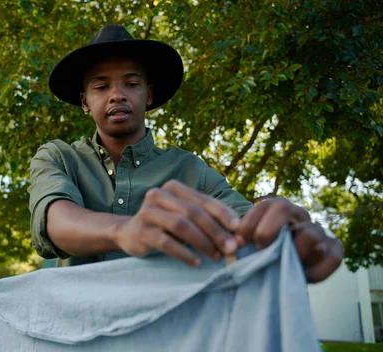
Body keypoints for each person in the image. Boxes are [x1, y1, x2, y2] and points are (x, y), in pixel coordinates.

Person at [28, 25, 342, 283]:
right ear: (84, 102)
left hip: (172, 339)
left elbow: (244, 225)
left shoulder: (189, 169)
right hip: (79, 336)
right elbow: (54, 221)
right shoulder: (58, 157)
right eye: (101, 86)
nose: (117, 94)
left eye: (131, 83)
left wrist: (288, 232)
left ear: (148, 94)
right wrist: (125, 230)